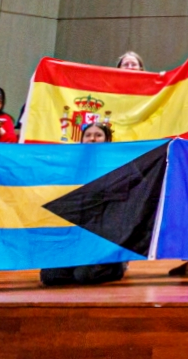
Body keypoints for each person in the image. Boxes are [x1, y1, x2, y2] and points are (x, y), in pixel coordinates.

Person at [40, 122, 128, 286]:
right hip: (75, 235)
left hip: (103, 236)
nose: (92, 139)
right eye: (88, 135)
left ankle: (117, 266)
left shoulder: (118, 165)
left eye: (98, 135)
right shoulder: (72, 166)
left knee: (84, 276)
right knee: (50, 276)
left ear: (107, 140)